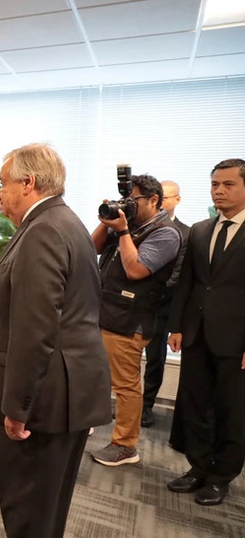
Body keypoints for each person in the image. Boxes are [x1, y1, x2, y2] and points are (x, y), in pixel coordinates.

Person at [0, 143, 111, 538]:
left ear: (28, 183)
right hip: (62, 393)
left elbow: (35, 330)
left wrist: (18, 408)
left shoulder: (43, 231)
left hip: (42, 402)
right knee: (46, 508)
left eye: (3, 183)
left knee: (29, 513)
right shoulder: (65, 222)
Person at [166, 158, 245, 506]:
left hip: (236, 340)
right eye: (215, 184)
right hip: (196, 334)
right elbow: (187, 284)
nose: (219, 190)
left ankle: (220, 477)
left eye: (228, 184)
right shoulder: (200, 229)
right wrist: (177, 326)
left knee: (233, 411)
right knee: (195, 405)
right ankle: (197, 467)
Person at [91, 174, 181, 467]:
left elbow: (136, 270)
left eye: (135, 200)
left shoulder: (166, 233)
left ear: (154, 200)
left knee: (126, 386)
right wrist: (108, 221)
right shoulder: (129, 225)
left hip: (131, 321)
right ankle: (90, 423)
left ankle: (125, 446)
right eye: (126, 199)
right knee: (96, 376)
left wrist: (124, 230)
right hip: (105, 312)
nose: (129, 205)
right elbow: (92, 247)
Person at [141, 180, 190, 428]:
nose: (161, 201)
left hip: (161, 306)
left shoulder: (187, 232)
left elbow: (179, 274)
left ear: (177, 200)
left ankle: (146, 405)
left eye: (166, 197)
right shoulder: (141, 226)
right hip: (135, 304)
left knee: (155, 359)